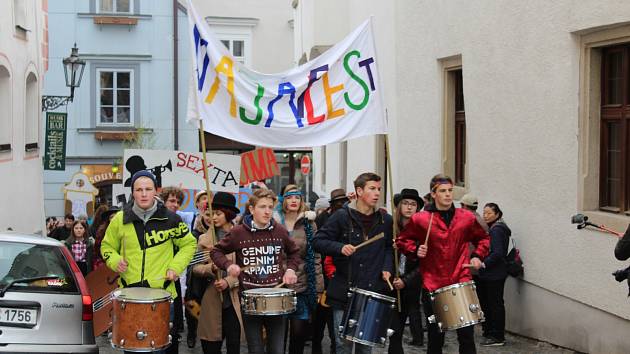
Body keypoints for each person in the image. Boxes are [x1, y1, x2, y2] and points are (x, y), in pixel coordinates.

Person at [101, 170, 197, 354]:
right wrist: (114, 260)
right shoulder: (121, 219)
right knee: (131, 350)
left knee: (159, 350)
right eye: (139, 189)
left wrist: (175, 267)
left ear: (156, 191)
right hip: (129, 297)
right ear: (133, 192)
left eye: (148, 189)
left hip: (162, 296)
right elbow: (106, 247)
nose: (144, 194)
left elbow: (189, 244)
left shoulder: (170, 218)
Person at [396, 174, 489, 354]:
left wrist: (477, 256)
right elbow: (402, 240)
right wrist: (415, 249)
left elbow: (483, 239)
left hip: (460, 279)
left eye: (450, 191)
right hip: (433, 283)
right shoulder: (421, 219)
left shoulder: (466, 218)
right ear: (433, 194)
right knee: (435, 336)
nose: (448, 195)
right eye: (443, 191)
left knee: (467, 335)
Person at [210, 188, 301, 354]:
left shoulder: (280, 231)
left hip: (276, 296)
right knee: (255, 349)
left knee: (276, 350)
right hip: (250, 298)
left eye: (270, 207)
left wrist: (290, 270)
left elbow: (294, 252)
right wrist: (228, 265)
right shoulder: (238, 232)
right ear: (251, 209)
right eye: (262, 207)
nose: (267, 211)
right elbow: (216, 251)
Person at [313, 172, 394, 354]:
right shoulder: (342, 217)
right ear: (359, 191)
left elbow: (389, 248)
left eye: (379, 189)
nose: (377, 193)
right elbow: (317, 241)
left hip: (372, 291)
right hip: (344, 291)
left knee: (366, 346)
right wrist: (339, 247)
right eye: (372, 188)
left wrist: (387, 268)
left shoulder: (385, 220)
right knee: (343, 345)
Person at [273, 185, 324, 354]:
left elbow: (315, 257)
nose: (293, 200)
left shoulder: (309, 225)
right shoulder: (274, 222)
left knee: (298, 333)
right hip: (277, 285)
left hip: (301, 284)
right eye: (289, 197)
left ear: (301, 201)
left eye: (297, 197)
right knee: (277, 336)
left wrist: (318, 288)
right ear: (283, 201)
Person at [193, 192, 244, 354]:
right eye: (211, 213)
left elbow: (248, 269)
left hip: (235, 298)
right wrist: (210, 269)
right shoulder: (204, 239)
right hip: (212, 296)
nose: (213, 217)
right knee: (210, 345)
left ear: (228, 214)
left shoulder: (242, 236)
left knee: (233, 344)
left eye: (218, 213)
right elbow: (195, 268)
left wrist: (228, 281)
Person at [389, 188, 425, 353]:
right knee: (392, 332)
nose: (409, 207)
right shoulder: (390, 228)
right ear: (399, 206)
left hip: (410, 286)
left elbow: (424, 264)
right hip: (389, 284)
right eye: (405, 203)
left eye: (413, 204)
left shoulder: (422, 232)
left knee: (398, 329)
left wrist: (405, 280)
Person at [159, 186, 195, 349]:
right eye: (172, 201)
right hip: (156, 279)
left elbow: (187, 246)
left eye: (178, 202)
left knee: (172, 328)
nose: (175, 205)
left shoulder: (178, 222)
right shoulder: (156, 220)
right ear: (163, 201)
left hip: (173, 278)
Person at [475, 203, 510, 347]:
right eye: (484, 213)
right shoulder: (496, 228)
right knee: (490, 304)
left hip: (494, 274)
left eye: (489, 213)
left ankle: (497, 336)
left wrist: (484, 264)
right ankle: (490, 332)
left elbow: (498, 253)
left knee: (494, 304)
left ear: (497, 214)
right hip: (492, 273)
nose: (485, 216)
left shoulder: (496, 230)